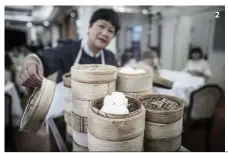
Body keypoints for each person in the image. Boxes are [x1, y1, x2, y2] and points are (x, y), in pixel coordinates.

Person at [19, 8, 120, 119]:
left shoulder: (110, 57)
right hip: (64, 113)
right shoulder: (69, 48)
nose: (105, 33)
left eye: (110, 31)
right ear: (90, 27)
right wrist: (31, 62)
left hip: (97, 116)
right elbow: (41, 59)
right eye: (101, 26)